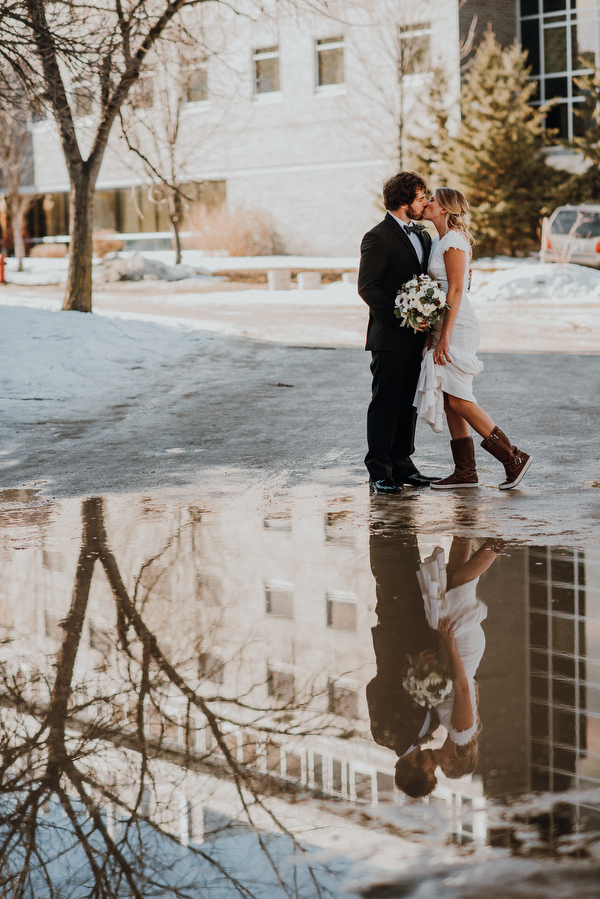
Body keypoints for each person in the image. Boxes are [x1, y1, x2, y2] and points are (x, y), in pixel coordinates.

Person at [415, 188, 532, 490]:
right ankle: (465, 472)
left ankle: (513, 457)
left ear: (445, 209)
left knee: (459, 398)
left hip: (459, 327)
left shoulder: (453, 240)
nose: (427, 202)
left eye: (433, 200)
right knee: (450, 398)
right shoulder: (439, 241)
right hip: (444, 326)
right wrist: (433, 332)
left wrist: (446, 337)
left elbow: (456, 291)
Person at [358, 171, 438, 495]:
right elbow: (368, 287)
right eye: (420, 198)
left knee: (409, 404)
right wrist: (404, 317)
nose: (424, 203)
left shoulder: (423, 235)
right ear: (404, 201)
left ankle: (403, 464)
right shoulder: (377, 237)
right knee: (386, 403)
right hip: (390, 337)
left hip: (417, 339)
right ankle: (379, 469)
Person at [416, 538, 500, 781]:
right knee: (461, 582)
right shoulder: (462, 734)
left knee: (453, 577)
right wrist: (450, 644)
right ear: (453, 761)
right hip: (461, 651)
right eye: (442, 767)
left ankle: (465, 522)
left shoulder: (454, 731)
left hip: (462, 657)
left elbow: (471, 689)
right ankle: (498, 542)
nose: (438, 764)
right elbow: (463, 687)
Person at [366, 523, 440, 798]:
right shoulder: (430, 728)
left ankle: (382, 515)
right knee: (412, 570)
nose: (434, 766)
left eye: (430, 771)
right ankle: (404, 522)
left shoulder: (386, 735)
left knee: (390, 574)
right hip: (421, 631)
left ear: (415, 770)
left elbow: (375, 688)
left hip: (396, 633)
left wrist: (412, 667)